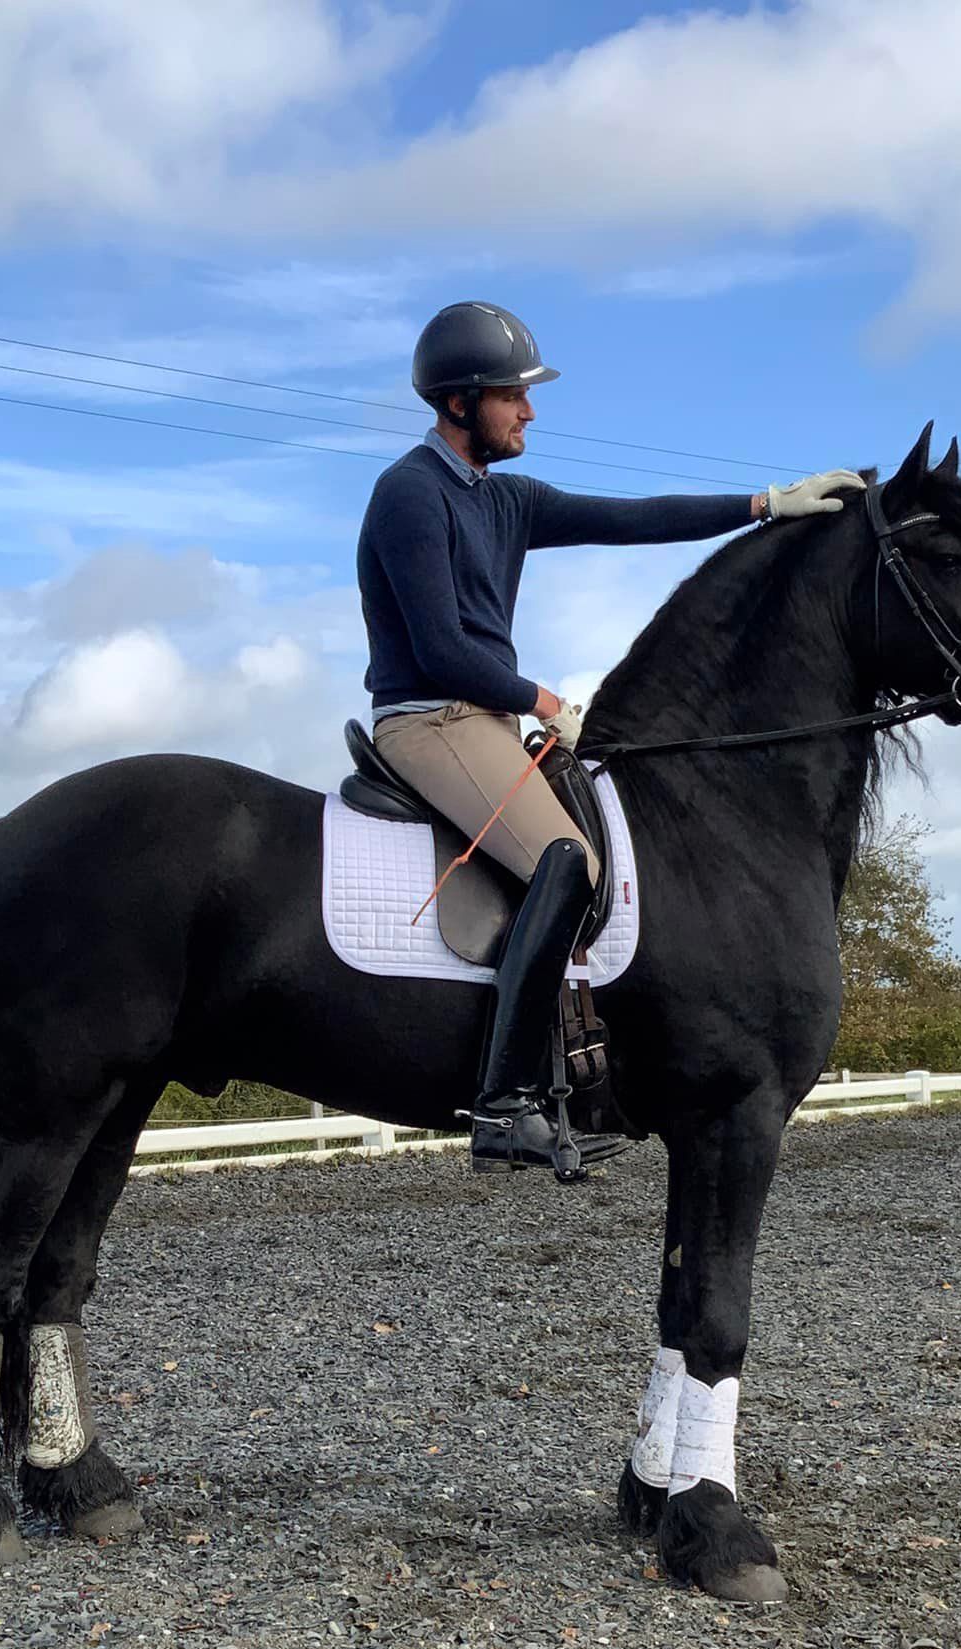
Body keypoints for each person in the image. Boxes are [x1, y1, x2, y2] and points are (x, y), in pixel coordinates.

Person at [357, 299, 864, 1171]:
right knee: (565, 859)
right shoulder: (410, 494)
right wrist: (546, 701)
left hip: (485, 718)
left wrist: (767, 504)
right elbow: (440, 648)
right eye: (514, 396)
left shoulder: (504, 499)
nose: (529, 412)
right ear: (458, 403)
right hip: (430, 719)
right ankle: (504, 1101)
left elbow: (630, 517)